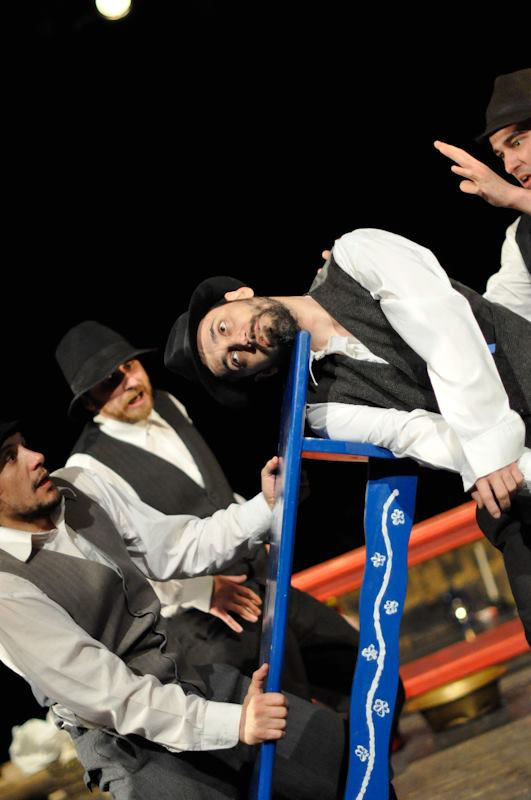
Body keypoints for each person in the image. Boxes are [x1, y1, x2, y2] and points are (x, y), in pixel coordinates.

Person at [164, 227, 531, 644]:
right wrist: (508, 466)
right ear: (257, 373)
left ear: (239, 295)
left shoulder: (355, 255)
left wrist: (492, 449)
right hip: (508, 473)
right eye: (234, 360)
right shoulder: (324, 408)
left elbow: (444, 329)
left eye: (223, 327)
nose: (241, 342)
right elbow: (418, 435)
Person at [0, 420, 351, 799]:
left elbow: (173, 545)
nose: (36, 457)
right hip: (129, 743)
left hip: (190, 678)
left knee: (336, 756)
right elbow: (108, 694)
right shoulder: (5, 585)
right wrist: (232, 723)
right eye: (9, 457)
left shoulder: (79, 485)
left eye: (24, 444)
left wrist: (263, 507)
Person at [54, 320, 365, 713]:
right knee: (292, 718)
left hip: (257, 580)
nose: (129, 383)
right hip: (205, 618)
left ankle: (374, 750)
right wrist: (205, 591)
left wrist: (260, 524)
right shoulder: (88, 468)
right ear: (89, 402)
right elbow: (124, 569)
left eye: (128, 367)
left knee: (358, 667)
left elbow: (209, 491)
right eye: (109, 382)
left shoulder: (166, 403)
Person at [434, 67, 531, 322]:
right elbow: (499, 321)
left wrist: (512, 196)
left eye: (517, 142)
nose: (509, 166)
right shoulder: (521, 235)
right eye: (501, 155)